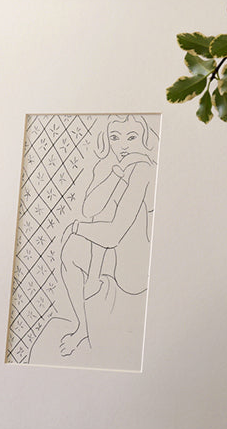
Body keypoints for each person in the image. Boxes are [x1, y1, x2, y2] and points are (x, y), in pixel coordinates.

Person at [52, 114, 158, 356]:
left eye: (131, 137)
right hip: (109, 255)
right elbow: (90, 209)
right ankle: (82, 327)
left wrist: (75, 228)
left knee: (79, 234)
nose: (122, 145)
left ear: (143, 138)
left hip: (134, 264)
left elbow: (113, 234)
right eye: (115, 137)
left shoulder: (144, 169)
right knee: (71, 249)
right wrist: (114, 174)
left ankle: (94, 282)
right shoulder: (111, 165)